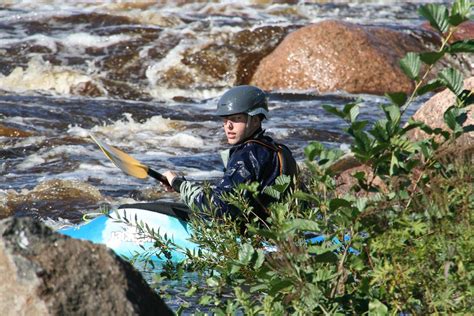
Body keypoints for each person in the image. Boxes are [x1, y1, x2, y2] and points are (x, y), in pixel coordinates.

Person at [163, 85, 297, 222]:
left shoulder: (246, 156)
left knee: (160, 210)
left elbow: (219, 208)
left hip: (253, 235)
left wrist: (179, 185)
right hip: (277, 230)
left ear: (256, 120)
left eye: (237, 119)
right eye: (226, 120)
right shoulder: (279, 149)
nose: (229, 126)